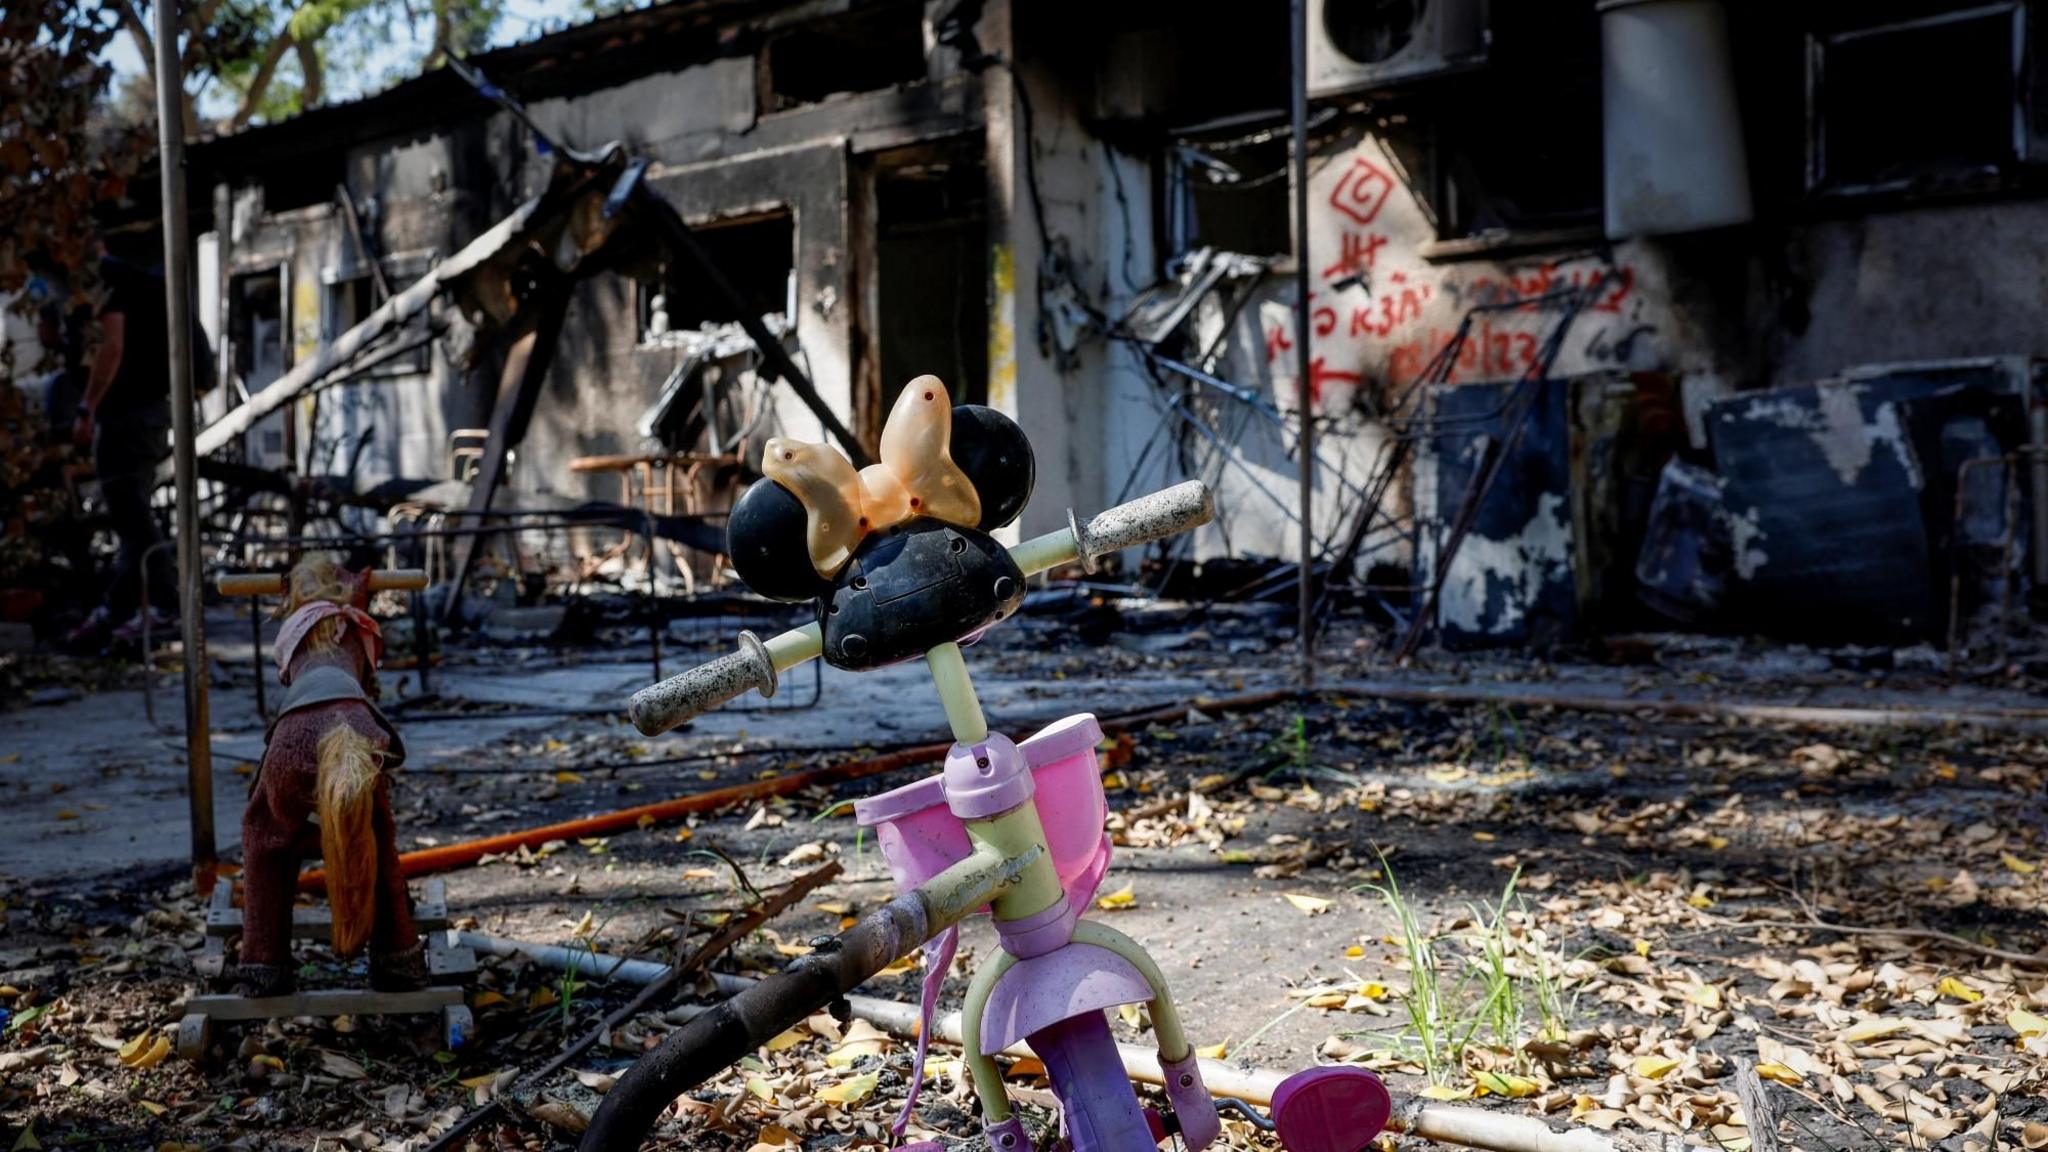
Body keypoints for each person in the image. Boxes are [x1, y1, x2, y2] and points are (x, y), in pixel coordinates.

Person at [63, 246, 180, 652]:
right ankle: (120, 608)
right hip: (145, 414)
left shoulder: (112, 284)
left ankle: (165, 605)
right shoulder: (136, 280)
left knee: (131, 514)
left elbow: (111, 348)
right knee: (132, 517)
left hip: (129, 417)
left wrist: (87, 407)